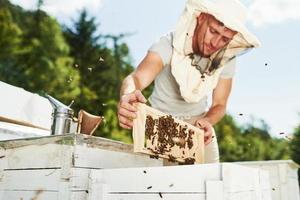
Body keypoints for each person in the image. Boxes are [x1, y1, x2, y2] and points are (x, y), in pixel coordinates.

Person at [117, 0, 260, 163]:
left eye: (225, 39)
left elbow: (219, 104)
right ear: (201, 17)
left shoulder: (226, 59)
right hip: (161, 126)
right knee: (165, 186)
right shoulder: (167, 44)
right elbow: (135, 78)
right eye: (213, 31)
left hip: (199, 130)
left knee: (212, 183)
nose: (216, 43)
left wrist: (207, 121)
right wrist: (128, 95)